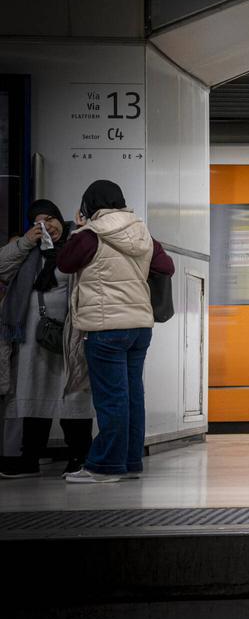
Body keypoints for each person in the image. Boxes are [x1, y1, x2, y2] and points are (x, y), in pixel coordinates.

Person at [56, 180, 175, 483]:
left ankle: (104, 466)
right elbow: (167, 266)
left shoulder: (91, 234)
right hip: (139, 327)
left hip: (107, 326)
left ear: (89, 205)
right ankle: (130, 461)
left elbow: (65, 263)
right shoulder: (141, 231)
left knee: (112, 399)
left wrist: (79, 228)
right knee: (132, 396)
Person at [0, 201, 93, 478]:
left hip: (69, 334)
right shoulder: (27, 251)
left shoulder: (77, 241)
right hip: (31, 337)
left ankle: (79, 456)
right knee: (33, 393)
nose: (47, 226)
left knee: (72, 392)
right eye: (39, 222)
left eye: (51, 218)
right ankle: (30, 458)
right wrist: (25, 243)